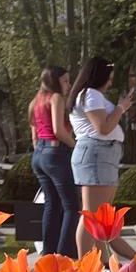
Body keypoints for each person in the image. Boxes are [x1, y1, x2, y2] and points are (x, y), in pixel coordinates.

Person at [67, 56, 136, 260]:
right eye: (109, 78)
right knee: (91, 215)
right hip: (97, 153)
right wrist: (121, 107)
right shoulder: (91, 95)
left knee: (100, 216)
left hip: (100, 154)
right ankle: (85, 264)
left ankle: (103, 261)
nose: (110, 83)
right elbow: (103, 128)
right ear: (100, 76)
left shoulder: (88, 95)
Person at [28, 66, 79, 256]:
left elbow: (34, 137)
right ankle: (64, 254)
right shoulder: (55, 98)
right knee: (71, 206)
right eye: (65, 81)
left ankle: (48, 253)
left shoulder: (35, 101)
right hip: (55, 152)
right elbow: (58, 130)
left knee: (52, 204)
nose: (68, 85)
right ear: (54, 81)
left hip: (39, 155)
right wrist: (76, 146)